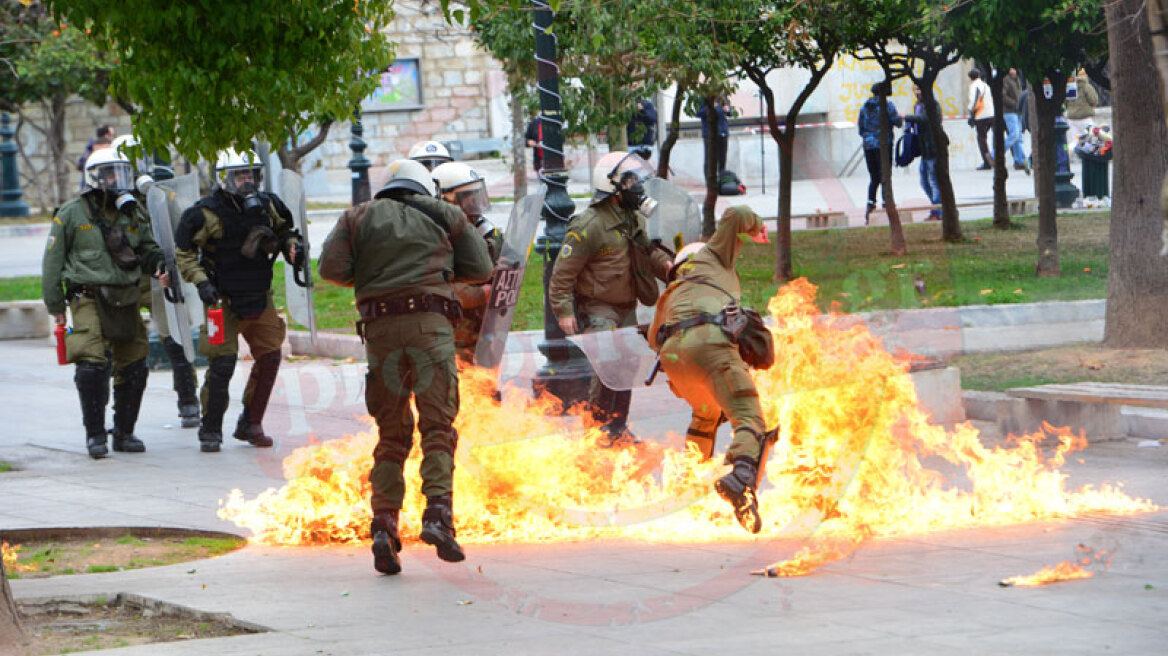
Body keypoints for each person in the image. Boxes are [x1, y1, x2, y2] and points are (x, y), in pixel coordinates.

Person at [319, 159, 493, 575]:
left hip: (379, 332)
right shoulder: (445, 214)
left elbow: (330, 269)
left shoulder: (355, 217)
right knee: (437, 427)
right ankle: (437, 517)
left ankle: (383, 526)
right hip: (430, 328)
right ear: (423, 187)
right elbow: (482, 269)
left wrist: (373, 278)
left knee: (392, 433)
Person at [647, 206, 771, 533]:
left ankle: (688, 486)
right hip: (709, 345)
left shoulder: (670, 295)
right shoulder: (712, 258)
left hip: (676, 366)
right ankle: (742, 477)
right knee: (749, 415)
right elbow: (736, 214)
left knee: (705, 415)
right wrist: (756, 227)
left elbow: (652, 339)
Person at [174, 148, 302, 453]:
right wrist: (201, 282)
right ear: (225, 178)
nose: (247, 180)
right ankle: (211, 428)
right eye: (240, 175)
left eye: (251, 174)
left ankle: (251, 422)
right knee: (223, 363)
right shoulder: (205, 212)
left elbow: (287, 231)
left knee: (270, 355)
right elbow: (184, 253)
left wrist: (292, 247)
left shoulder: (268, 204)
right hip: (221, 298)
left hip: (259, 293)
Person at [43, 147, 166, 459]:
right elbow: (52, 261)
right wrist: (55, 305)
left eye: (121, 173)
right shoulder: (71, 213)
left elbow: (148, 246)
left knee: (135, 363)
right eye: (109, 173)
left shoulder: (133, 212)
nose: (116, 180)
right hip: (88, 296)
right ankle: (95, 434)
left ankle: (124, 433)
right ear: (94, 178)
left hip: (126, 297)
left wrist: (159, 263)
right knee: (91, 365)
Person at [548, 151, 672, 446]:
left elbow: (647, 251)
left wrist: (670, 266)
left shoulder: (631, 220)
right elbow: (562, 275)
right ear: (613, 188)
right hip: (597, 307)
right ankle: (597, 430)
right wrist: (564, 311)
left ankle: (618, 427)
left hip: (626, 306)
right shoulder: (588, 225)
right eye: (630, 182)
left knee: (625, 367)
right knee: (607, 366)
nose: (637, 187)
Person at [431, 162, 503, 365]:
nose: (475, 201)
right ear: (446, 199)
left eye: (477, 194)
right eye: (468, 196)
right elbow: (440, 286)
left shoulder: (483, 229)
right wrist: (482, 294)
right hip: (451, 333)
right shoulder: (435, 236)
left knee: (486, 387)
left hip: (483, 329)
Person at [857, 82, 903, 222]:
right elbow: (897, 122)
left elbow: (860, 128)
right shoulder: (887, 105)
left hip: (868, 145)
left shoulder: (865, 106)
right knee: (885, 176)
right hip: (883, 145)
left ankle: (870, 204)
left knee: (874, 177)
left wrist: (868, 137)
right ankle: (887, 203)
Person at [904, 86, 942, 221]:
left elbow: (925, 118)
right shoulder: (917, 105)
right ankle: (938, 207)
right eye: (915, 90)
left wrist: (907, 117)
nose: (917, 92)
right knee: (924, 181)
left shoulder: (932, 104)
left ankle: (937, 212)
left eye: (920, 89)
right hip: (924, 149)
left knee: (934, 181)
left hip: (933, 147)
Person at [1002, 68, 1030, 174]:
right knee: (1014, 134)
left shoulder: (1017, 79)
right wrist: (1015, 104)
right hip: (1009, 111)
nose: (1013, 70)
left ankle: (1020, 161)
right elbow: (1003, 96)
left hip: (1017, 111)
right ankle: (996, 154)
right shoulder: (1006, 80)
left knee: (1018, 137)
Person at [1065, 69, 1099, 155]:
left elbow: (1065, 102)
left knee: (1076, 139)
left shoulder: (1069, 86)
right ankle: (1093, 154)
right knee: (1093, 136)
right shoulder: (1086, 86)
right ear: (1085, 76)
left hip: (1072, 118)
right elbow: (1094, 100)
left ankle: (1074, 154)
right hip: (1085, 117)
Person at [967, 69, 995, 170]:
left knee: (981, 139)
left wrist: (970, 111)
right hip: (991, 113)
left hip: (981, 115)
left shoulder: (974, 86)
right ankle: (993, 157)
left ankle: (987, 161)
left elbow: (975, 101)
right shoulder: (986, 85)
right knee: (992, 136)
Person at [696, 99, 731, 174]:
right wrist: (713, 107)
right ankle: (710, 181)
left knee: (722, 158)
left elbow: (729, 113)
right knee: (709, 159)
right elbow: (698, 113)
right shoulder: (702, 98)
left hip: (723, 132)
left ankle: (721, 178)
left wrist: (728, 110)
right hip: (709, 134)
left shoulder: (722, 98)